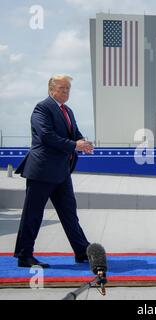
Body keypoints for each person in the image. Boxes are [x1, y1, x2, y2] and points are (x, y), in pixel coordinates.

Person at [14, 75, 94, 268]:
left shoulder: (68, 111)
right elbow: (47, 136)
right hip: (42, 171)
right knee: (33, 214)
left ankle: (82, 251)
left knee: (69, 213)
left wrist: (83, 143)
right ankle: (24, 255)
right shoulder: (42, 108)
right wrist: (75, 145)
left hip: (61, 172)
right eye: (62, 88)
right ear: (51, 90)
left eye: (68, 88)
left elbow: (74, 134)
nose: (66, 91)